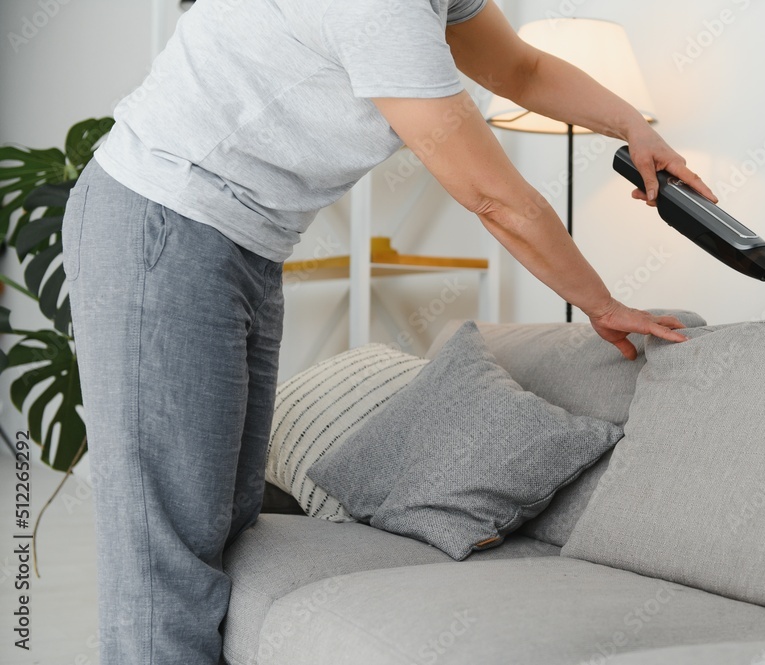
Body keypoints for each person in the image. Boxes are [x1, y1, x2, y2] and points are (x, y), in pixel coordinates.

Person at [62, 0, 717, 663]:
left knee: (223, 515)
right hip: (163, 218)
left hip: (246, 242)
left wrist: (631, 124)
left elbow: (520, 66)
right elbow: (493, 196)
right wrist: (601, 303)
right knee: (166, 550)